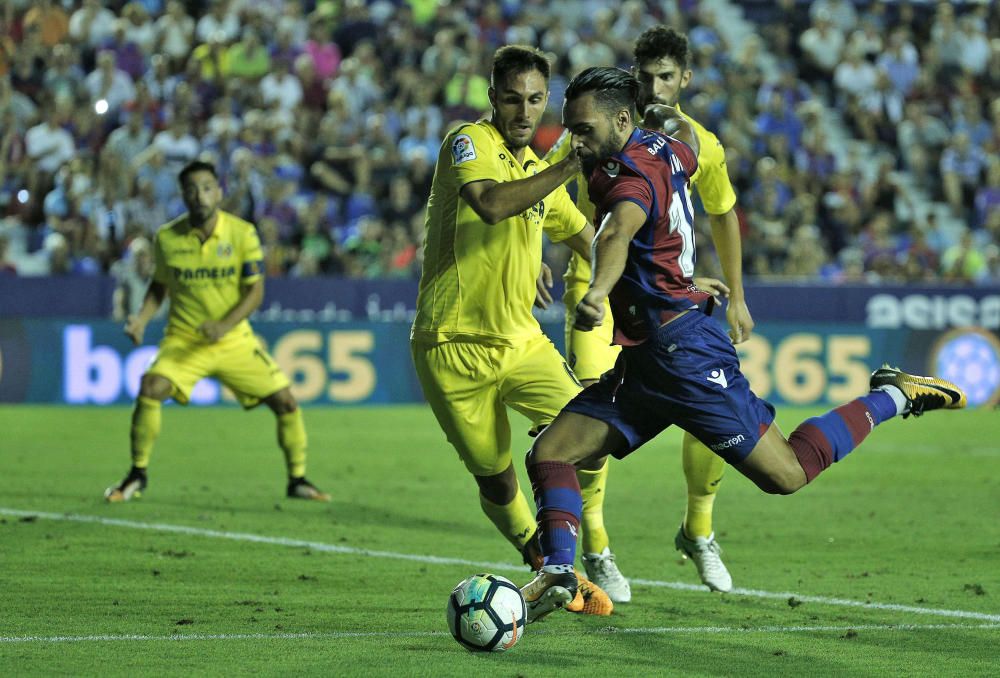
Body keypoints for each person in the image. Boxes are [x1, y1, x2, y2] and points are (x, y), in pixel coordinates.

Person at [519, 67, 966, 622]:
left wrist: (598, 290)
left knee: (787, 475)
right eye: (570, 129)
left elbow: (614, 234)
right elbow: (679, 164)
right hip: (647, 359)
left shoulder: (622, 178)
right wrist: (678, 276)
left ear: (621, 121)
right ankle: (560, 571)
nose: (574, 142)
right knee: (551, 453)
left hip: (685, 355)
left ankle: (892, 394)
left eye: (583, 130)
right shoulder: (671, 149)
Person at [542, 25, 752, 596]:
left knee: (711, 416)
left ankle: (699, 530)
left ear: (685, 78)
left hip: (666, 300)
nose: (656, 86)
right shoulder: (595, 130)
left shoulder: (699, 144)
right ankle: (596, 545)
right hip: (595, 283)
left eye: (667, 76)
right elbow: (552, 196)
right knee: (586, 411)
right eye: (646, 76)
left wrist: (734, 292)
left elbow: (721, 214)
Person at [410, 45, 612, 616]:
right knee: (497, 483)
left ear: (546, 99)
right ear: (491, 96)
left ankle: (571, 558)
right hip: (452, 348)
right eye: (511, 98)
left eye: (534, 100)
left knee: (593, 438)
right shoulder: (468, 143)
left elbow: (589, 238)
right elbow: (492, 206)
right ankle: (544, 565)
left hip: (521, 341)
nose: (524, 111)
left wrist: (670, 275)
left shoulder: (535, 168)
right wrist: (571, 165)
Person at [104, 160, 330, 504]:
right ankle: (137, 474)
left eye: (207, 187)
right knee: (151, 387)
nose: (200, 195)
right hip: (184, 339)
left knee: (286, 402)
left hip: (234, 340)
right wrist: (141, 319)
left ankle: (297, 479)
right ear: (183, 195)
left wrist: (224, 325)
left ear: (219, 192)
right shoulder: (167, 238)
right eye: (192, 189)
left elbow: (255, 291)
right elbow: (159, 287)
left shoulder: (242, 234)